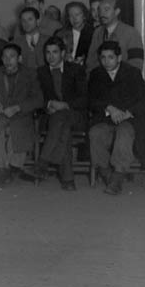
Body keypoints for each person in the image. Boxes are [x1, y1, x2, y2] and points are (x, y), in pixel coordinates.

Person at [87, 41, 145, 195]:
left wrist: (127, 112)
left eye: (111, 57)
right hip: (105, 118)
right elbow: (91, 100)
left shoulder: (132, 73)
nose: (107, 61)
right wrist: (109, 108)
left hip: (128, 119)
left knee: (124, 132)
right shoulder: (96, 74)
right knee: (95, 133)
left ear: (119, 58)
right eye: (103, 58)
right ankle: (107, 173)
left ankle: (118, 175)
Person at [0, 43, 43, 186]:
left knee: (17, 130)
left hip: (21, 114)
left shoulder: (30, 74)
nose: (8, 60)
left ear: (20, 58)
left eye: (12, 56)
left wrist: (18, 107)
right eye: (4, 57)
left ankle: (8, 170)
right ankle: (3, 168)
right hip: (1, 114)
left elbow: (38, 99)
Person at [36, 36, 88, 190]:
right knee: (63, 128)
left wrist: (64, 105)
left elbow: (84, 98)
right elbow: (37, 97)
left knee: (62, 118)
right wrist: (49, 104)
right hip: (51, 116)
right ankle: (67, 178)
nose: (50, 56)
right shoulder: (40, 72)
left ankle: (43, 161)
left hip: (75, 115)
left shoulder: (76, 70)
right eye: (47, 52)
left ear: (63, 53)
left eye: (55, 52)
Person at [85, 0, 145, 71]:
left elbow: (136, 63)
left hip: (125, 80)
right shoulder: (97, 33)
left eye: (106, 9)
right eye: (100, 10)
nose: (102, 14)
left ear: (117, 11)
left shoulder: (131, 33)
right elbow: (91, 62)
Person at [11, 6, 47, 71]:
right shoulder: (14, 43)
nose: (26, 23)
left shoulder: (48, 41)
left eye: (30, 19)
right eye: (23, 20)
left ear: (38, 21)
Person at [60, 0, 94, 67]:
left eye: (77, 15)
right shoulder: (61, 34)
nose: (74, 18)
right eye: (71, 16)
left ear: (84, 16)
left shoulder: (93, 33)